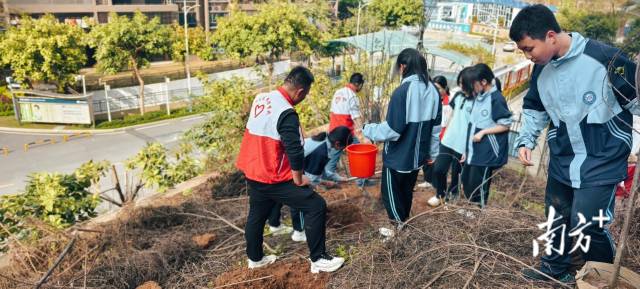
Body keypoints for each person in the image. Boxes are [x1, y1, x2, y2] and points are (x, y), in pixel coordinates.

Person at [510, 4, 638, 283]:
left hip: (602, 157)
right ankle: (555, 269)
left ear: (551, 36)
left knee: (588, 222)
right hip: (563, 158)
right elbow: (534, 108)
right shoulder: (541, 71)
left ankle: (601, 277)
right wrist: (526, 139)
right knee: (556, 215)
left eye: (529, 49)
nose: (527, 56)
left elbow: (636, 98)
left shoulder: (605, 58)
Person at [236, 66, 344, 273]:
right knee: (316, 206)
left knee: (257, 215)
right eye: (306, 94)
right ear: (301, 91)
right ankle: (318, 259)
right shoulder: (287, 113)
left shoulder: (262, 98)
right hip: (271, 174)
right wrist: (298, 178)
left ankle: (255, 259)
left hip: (253, 170)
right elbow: (294, 150)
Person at [363, 48, 442, 238]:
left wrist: (368, 129)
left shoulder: (403, 91)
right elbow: (435, 129)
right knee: (406, 193)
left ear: (403, 66)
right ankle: (402, 226)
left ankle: (401, 233)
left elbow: (393, 130)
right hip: (417, 159)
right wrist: (432, 154)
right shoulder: (433, 91)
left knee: (390, 194)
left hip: (398, 157)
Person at [266, 126, 354, 243]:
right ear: (337, 144)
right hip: (285, 168)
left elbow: (319, 170)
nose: (342, 150)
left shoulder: (324, 140)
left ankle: (274, 225)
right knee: (301, 198)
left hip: (279, 165)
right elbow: (310, 179)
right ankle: (299, 231)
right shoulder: (321, 151)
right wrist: (325, 182)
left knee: (279, 195)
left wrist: (337, 178)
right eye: (343, 147)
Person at [460, 63, 512, 208]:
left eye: (473, 84)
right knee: (468, 181)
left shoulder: (496, 98)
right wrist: (466, 150)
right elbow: (472, 126)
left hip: (485, 151)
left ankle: (478, 215)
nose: (471, 88)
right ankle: (470, 210)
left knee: (479, 186)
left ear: (483, 82)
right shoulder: (480, 96)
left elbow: (505, 124)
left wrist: (483, 132)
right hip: (474, 150)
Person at [427, 68, 475, 206]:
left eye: (463, 83)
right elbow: (452, 115)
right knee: (438, 169)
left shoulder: (478, 100)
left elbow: (475, 126)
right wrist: (445, 132)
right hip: (448, 140)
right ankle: (440, 194)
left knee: (456, 174)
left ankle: (452, 198)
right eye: (460, 82)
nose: (461, 86)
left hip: (462, 144)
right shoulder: (459, 96)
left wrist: (468, 148)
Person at [325, 73, 374, 187]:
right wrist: (363, 135)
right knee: (360, 151)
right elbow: (356, 118)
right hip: (346, 133)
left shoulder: (338, 92)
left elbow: (332, 112)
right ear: (357, 84)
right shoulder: (352, 96)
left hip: (334, 130)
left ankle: (329, 181)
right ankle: (360, 181)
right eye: (361, 85)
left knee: (333, 157)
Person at [418, 75, 451, 189]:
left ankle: (438, 185)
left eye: (438, 88)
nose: (436, 90)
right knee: (427, 157)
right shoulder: (431, 99)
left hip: (444, 135)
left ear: (445, 88)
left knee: (438, 161)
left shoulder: (450, 102)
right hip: (431, 132)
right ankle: (428, 180)